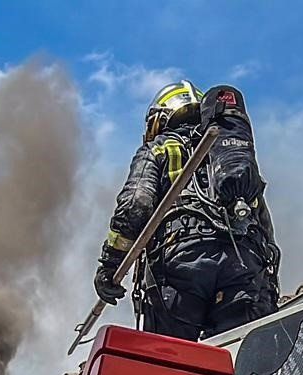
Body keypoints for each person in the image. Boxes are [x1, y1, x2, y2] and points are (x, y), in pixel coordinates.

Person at [93, 80, 281, 341]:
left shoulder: (161, 147)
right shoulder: (228, 152)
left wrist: (110, 265)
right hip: (244, 263)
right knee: (247, 357)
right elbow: (262, 221)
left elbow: (136, 205)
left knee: (172, 363)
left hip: (181, 264)